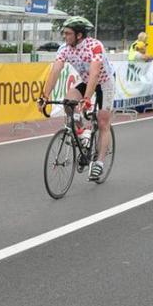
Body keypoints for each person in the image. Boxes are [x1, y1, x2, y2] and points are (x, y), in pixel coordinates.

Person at [37, 16, 115, 182]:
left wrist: (87, 99)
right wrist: (44, 96)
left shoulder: (95, 46)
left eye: (68, 33)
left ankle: (99, 162)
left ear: (79, 35)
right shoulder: (64, 48)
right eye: (64, 33)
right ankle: (83, 133)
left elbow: (95, 73)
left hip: (104, 83)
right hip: (86, 81)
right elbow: (55, 71)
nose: (64, 36)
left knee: (103, 122)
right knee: (69, 102)